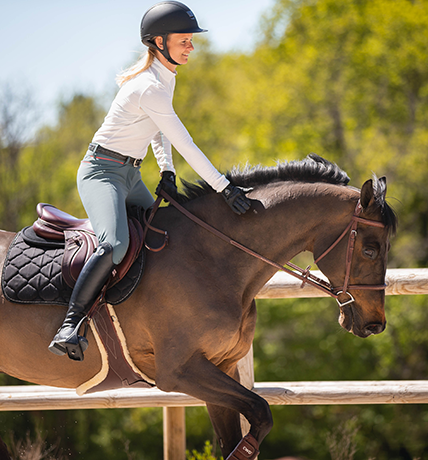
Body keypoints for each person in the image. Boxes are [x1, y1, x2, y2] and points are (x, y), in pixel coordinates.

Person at [48, 1, 251, 360]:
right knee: (114, 246)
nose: (191, 47)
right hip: (101, 173)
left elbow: (158, 131)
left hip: (129, 173)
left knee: (171, 234)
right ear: (159, 42)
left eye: (191, 40)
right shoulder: (148, 86)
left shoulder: (163, 79)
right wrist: (225, 187)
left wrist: (166, 170)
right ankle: (70, 325)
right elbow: (184, 141)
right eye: (184, 41)